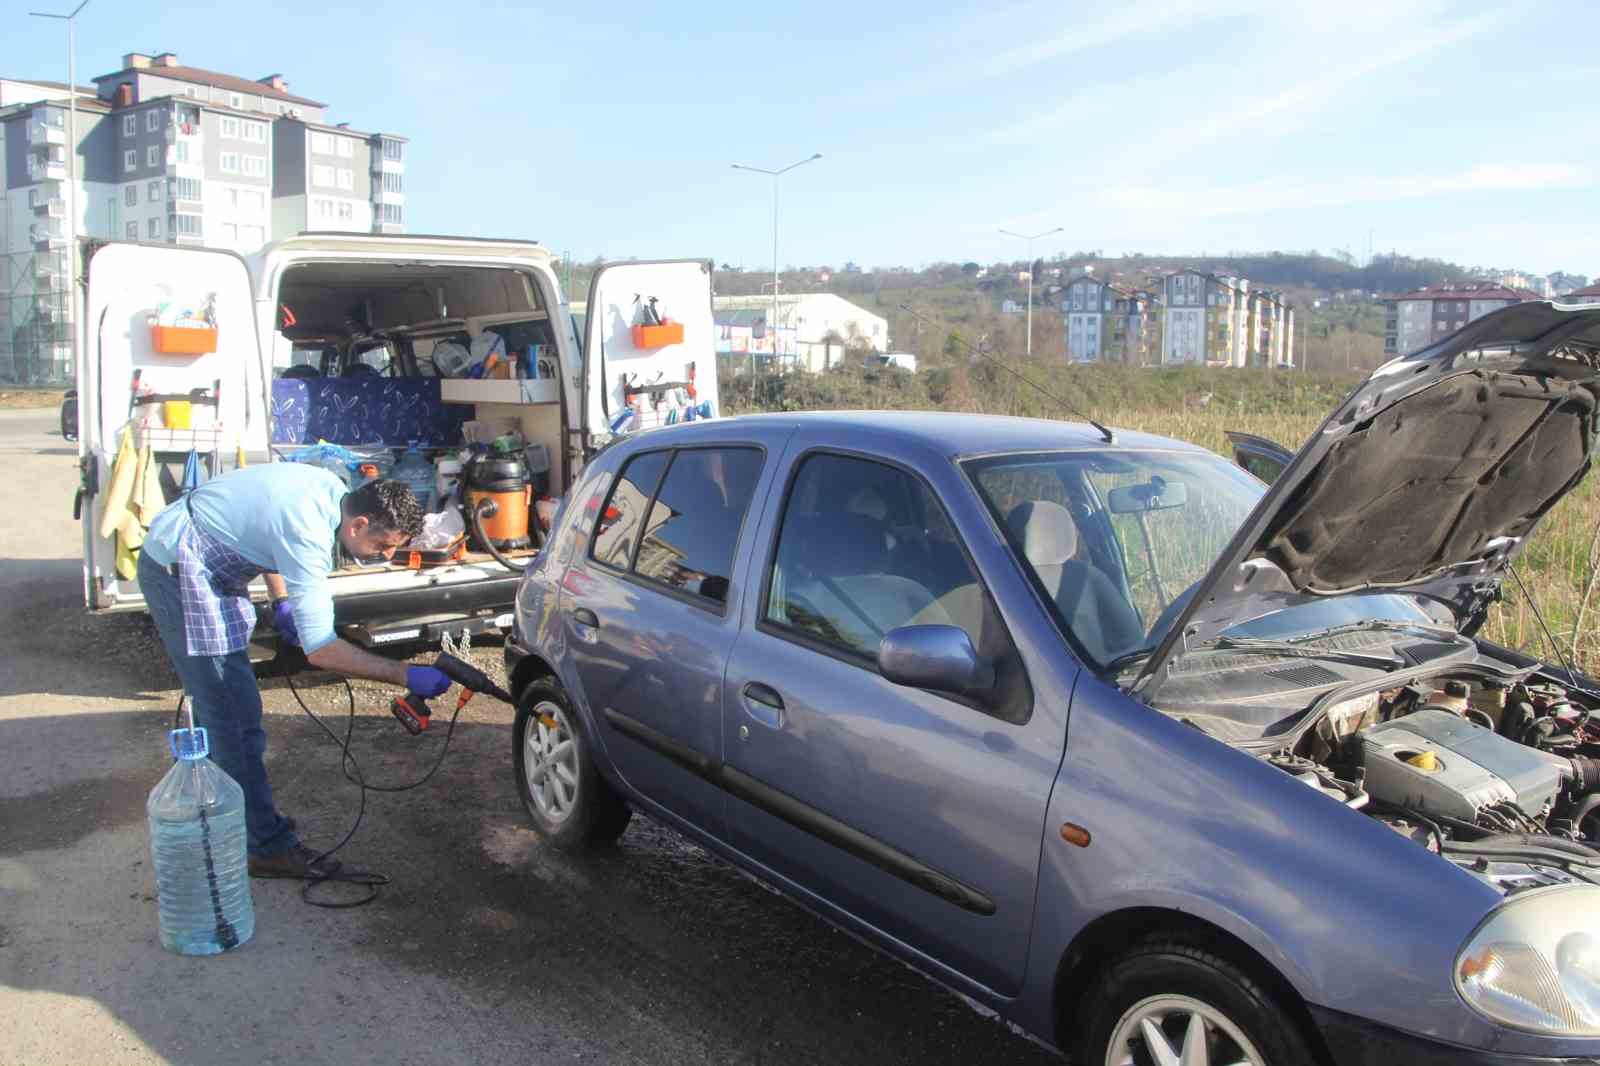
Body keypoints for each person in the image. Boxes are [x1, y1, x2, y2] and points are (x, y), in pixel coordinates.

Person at [137, 464, 452, 879]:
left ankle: (240, 821)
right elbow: (320, 649)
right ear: (358, 524)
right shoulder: (310, 533)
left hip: (204, 556)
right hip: (180, 569)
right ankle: (263, 847)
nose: (387, 556)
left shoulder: (331, 490)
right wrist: (405, 675)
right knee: (231, 720)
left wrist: (281, 598)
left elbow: (264, 528)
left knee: (240, 715)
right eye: (384, 545)